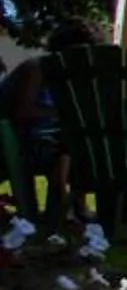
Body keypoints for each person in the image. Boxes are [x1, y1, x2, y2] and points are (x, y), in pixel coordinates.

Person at [1, 22, 91, 226]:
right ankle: (63, 208)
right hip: (16, 140)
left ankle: (72, 207)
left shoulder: (66, 77)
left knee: (77, 143)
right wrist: (60, 114)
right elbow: (22, 113)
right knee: (64, 145)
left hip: (45, 136)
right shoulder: (37, 69)